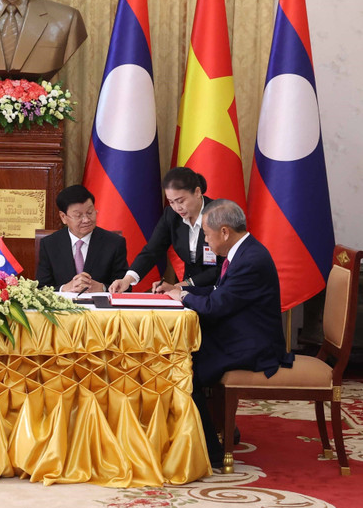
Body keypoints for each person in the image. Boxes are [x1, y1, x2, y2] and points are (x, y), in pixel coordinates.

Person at [164, 199, 293, 467]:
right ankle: (210, 431)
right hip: (240, 332)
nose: (207, 243)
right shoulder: (244, 251)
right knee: (184, 354)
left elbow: (216, 306)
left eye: (208, 235)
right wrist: (182, 292)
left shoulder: (251, 260)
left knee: (185, 369)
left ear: (224, 232)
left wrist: (183, 297)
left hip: (254, 345)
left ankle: (210, 451)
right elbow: (218, 293)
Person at [109, 167, 220, 294]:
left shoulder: (219, 214)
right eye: (171, 202)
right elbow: (152, 251)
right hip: (186, 291)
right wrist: (127, 280)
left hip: (218, 289)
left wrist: (185, 284)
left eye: (181, 201)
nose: (177, 208)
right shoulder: (171, 215)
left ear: (197, 192)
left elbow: (224, 266)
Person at [36, 184, 127, 292]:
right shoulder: (50, 244)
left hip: (101, 307)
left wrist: (102, 288)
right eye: (78, 215)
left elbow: (126, 287)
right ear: (63, 217)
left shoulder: (114, 243)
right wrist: (64, 288)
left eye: (90, 212)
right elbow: (40, 288)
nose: (86, 220)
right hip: (62, 308)